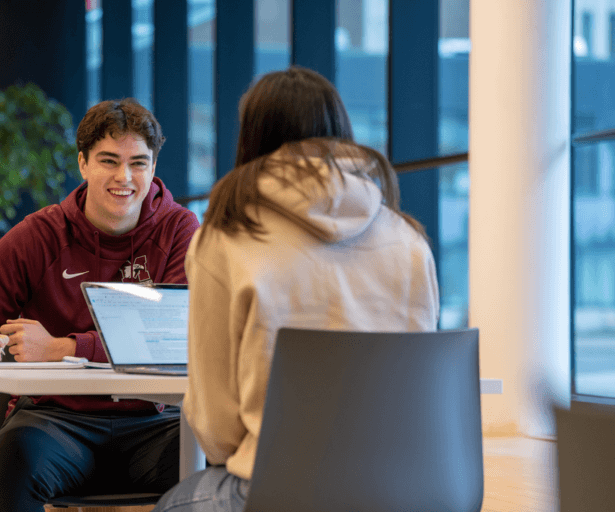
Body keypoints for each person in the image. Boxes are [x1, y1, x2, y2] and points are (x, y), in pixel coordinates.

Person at [151, 66, 440, 512]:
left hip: (276, 491)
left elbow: (216, 430)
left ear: (252, 139)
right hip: (406, 489)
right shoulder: (409, 239)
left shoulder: (226, 236)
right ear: (340, 133)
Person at [0, 98, 200, 512]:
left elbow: (171, 341)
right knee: (9, 463)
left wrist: (63, 349)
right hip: (55, 424)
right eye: (109, 161)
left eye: (138, 163)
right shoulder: (40, 234)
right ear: (83, 164)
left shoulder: (179, 228)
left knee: (219, 460)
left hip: (153, 421)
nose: (124, 177)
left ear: (153, 168)